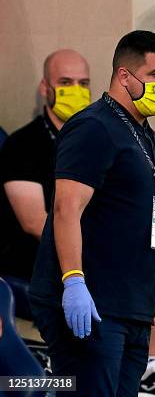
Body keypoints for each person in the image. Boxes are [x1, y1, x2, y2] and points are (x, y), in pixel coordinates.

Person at [28, 30, 155, 397]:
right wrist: (73, 281)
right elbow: (66, 207)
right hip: (95, 306)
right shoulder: (94, 126)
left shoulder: (147, 136)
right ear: (123, 76)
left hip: (134, 307)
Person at [0, 49, 90, 319]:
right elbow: (35, 222)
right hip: (38, 259)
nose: (76, 91)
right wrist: (93, 253)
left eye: (83, 84)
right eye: (65, 83)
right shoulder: (23, 145)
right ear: (45, 88)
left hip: (93, 248)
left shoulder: (97, 142)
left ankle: (151, 361)